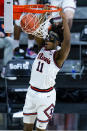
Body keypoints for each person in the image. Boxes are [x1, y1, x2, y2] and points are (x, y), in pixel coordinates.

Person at [23, 11, 70, 131]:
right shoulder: (42, 47)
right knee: (26, 128)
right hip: (31, 92)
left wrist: (64, 19)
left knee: (40, 129)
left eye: (51, 38)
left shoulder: (58, 56)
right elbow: (37, 32)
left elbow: (67, 43)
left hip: (46, 97)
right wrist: (43, 13)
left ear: (58, 42)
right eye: (48, 36)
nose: (47, 39)